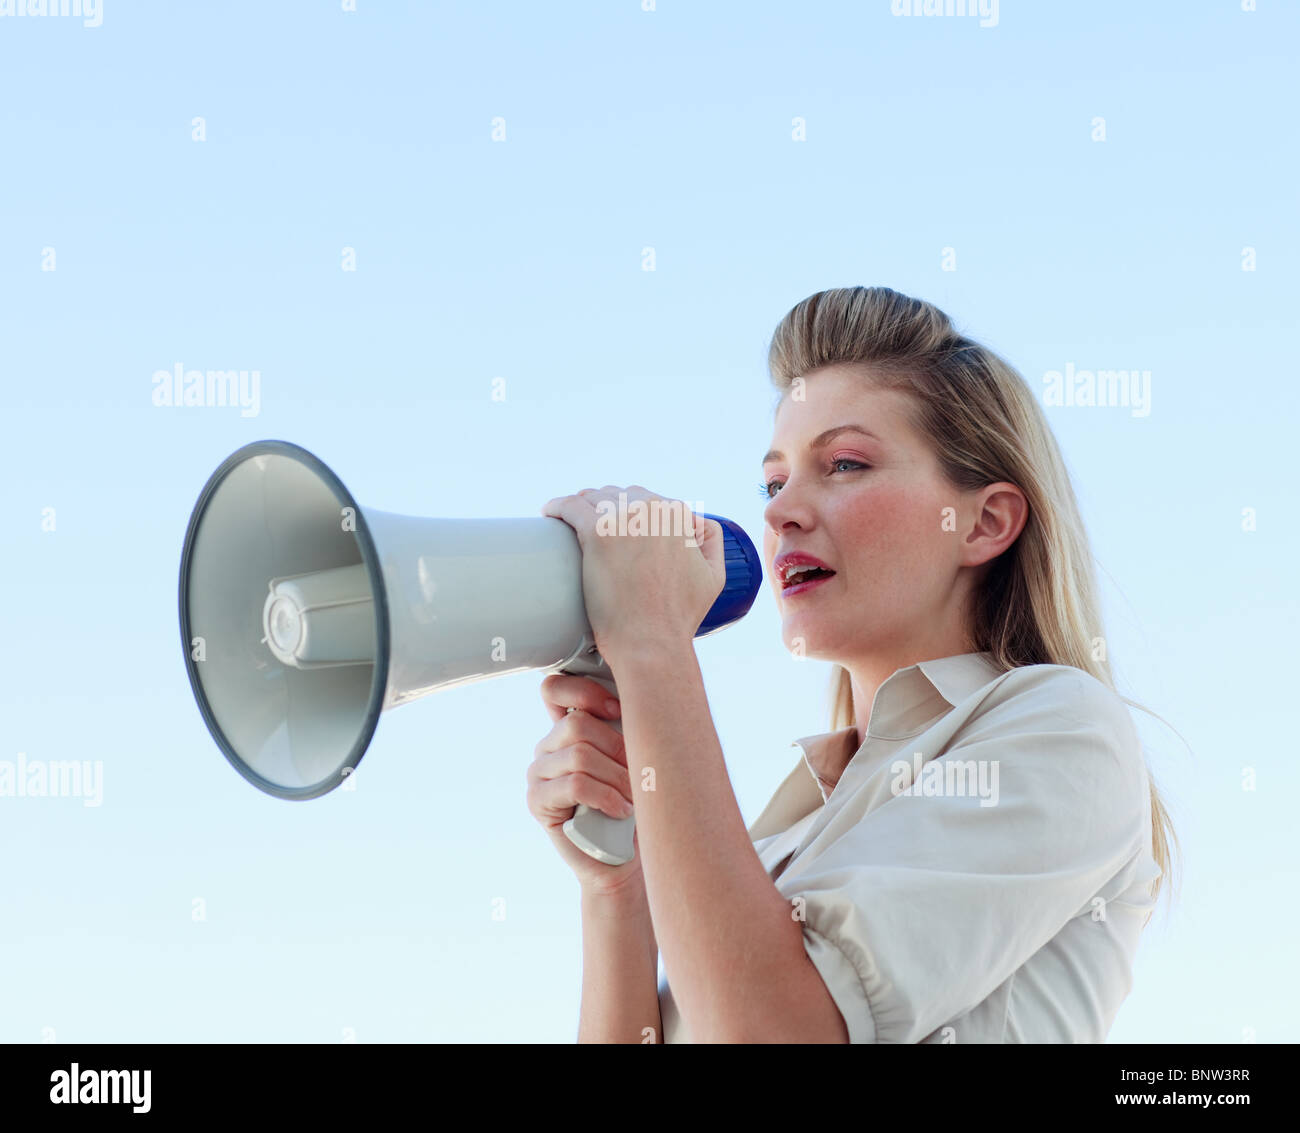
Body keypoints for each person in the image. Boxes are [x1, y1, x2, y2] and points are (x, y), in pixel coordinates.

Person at [528, 285, 1179, 1044]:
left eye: (842, 464)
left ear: (986, 521)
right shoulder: (789, 827)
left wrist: (652, 647)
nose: (778, 513)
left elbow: (775, 1030)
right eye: (773, 482)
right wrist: (621, 887)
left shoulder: (1066, 729)